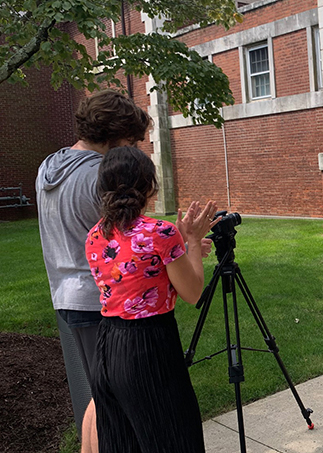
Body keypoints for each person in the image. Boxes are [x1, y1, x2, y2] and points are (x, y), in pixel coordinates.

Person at [36, 89, 151, 452]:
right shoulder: (101, 176)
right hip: (104, 301)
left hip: (64, 296)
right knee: (115, 403)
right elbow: (129, 246)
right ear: (114, 135)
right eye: (131, 141)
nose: (133, 150)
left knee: (95, 396)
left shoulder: (48, 167)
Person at [85, 146, 218, 452]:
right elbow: (193, 292)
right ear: (149, 187)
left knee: (122, 442)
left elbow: (140, 271)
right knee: (173, 439)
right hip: (148, 348)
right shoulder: (161, 232)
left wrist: (183, 246)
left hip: (106, 347)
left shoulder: (95, 235)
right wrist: (193, 242)